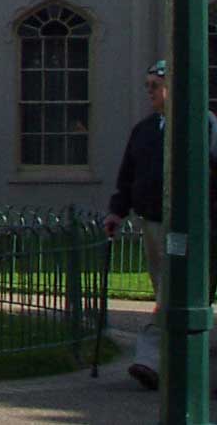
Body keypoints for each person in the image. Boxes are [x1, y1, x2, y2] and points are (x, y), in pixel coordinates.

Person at [104, 59, 217, 391]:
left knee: (176, 296)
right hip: (153, 225)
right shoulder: (145, 130)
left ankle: (150, 360)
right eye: (147, 85)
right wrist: (116, 211)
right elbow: (128, 177)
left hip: (198, 229)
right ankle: (175, 364)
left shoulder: (205, 125)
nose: (150, 92)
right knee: (166, 294)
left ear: (175, 88)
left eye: (155, 85)